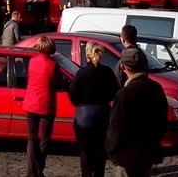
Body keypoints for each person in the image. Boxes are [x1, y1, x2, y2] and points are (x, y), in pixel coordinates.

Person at [106, 47, 168, 177]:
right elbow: (162, 121)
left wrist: (112, 152)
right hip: (149, 152)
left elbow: (116, 130)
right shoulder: (156, 88)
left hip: (128, 156)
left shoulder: (124, 94)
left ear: (123, 68)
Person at [68, 42, 119, 177]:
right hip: (103, 114)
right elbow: (115, 90)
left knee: (85, 151)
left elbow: (72, 93)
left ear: (88, 54)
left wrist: (80, 103)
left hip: (84, 116)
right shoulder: (107, 71)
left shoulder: (82, 73)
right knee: (100, 151)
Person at [24, 36, 60, 177]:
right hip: (46, 105)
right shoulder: (53, 64)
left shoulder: (32, 61)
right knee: (44, 140)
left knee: (32, 139)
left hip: (31, 103)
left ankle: (31, 171)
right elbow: (56, 83)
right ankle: (39, 170)